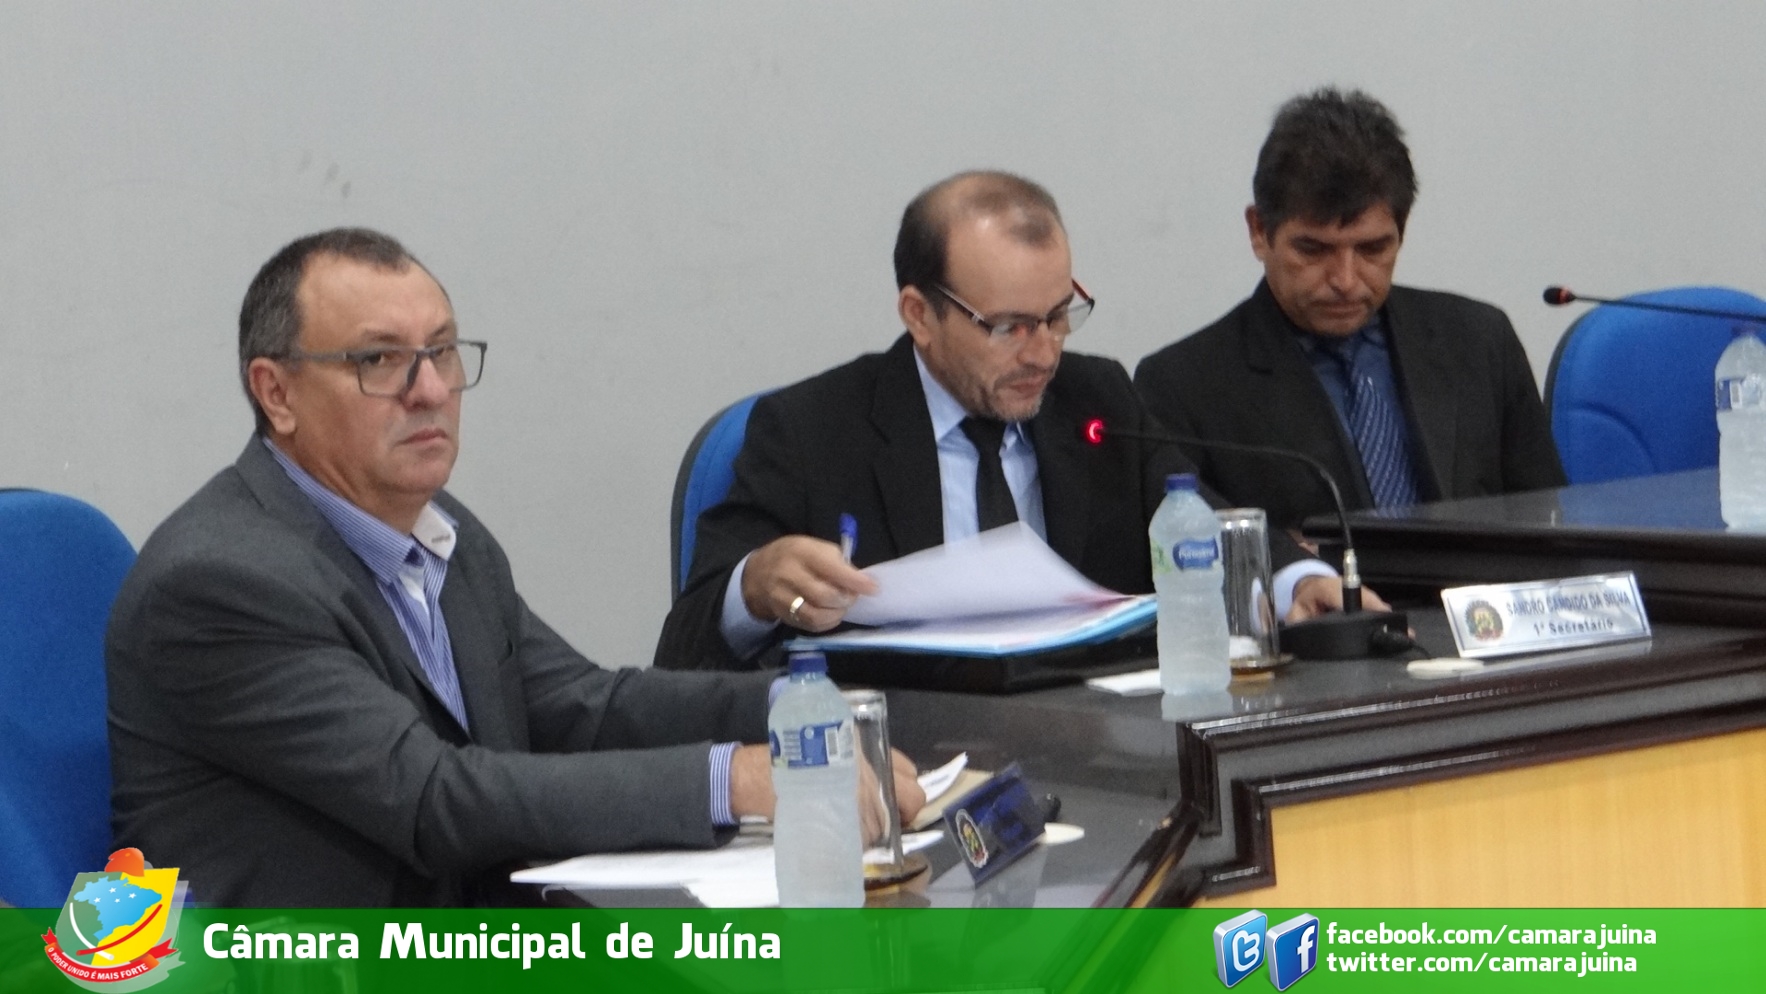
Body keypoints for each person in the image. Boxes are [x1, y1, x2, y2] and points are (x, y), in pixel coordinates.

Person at [106, 228, 920, 906]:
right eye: (380, 361)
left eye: (442, 351)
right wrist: (736, 780)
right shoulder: (220, 582)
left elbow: (579, 707)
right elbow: (432, 797)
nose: (430, 390)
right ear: (276, 394)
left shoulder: (442, 531)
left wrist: (795, 706)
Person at [657, 171, 1369, 672]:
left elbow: (1198, 514)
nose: (1044, 353)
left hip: (1086, 745)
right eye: (1009, 327)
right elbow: (682, 649)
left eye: (1058, 316)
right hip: (910, 758)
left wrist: (1293, 579)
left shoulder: (1096, 399)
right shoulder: (811, 431)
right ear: (920, 315)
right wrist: (755, 586)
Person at [1135, 88, 1566, 532]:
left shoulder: (1480, 341)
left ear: (1401, 231)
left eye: (1372, 249)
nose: (1344, 280)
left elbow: (1550, 526)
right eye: (1313, 249)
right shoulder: (1182, 387)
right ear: (1259, 230)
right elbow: (1191, 553)